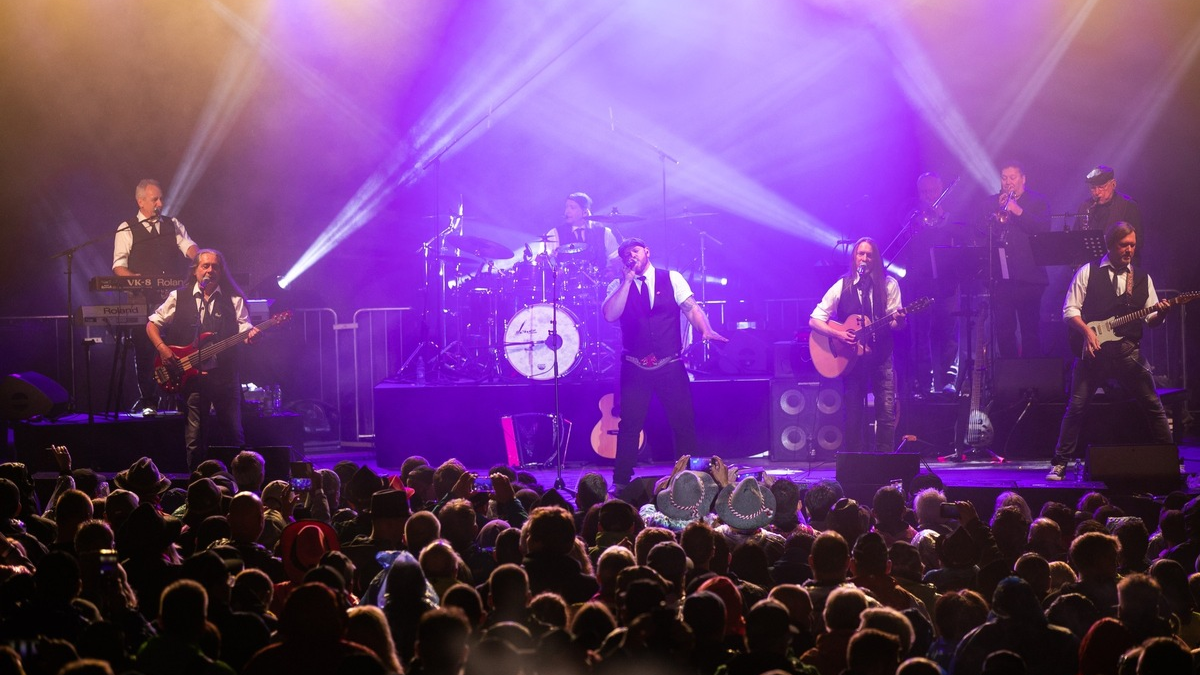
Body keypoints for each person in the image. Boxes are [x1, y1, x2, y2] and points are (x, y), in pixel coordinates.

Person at [1045, 222, 1174, 481]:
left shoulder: (1141, 277)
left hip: (1128, 353)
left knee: (1154, 406)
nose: (1129, 250)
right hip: (1094, 355)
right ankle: (1060, 463)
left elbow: (1151, 320)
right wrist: (1087, 332)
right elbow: (1070, 311)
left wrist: (1161, 313)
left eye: (1133, 245)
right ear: (1110, 245)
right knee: (1077, 408)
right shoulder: (1088, 272)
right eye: (1123, 245)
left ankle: (1169, 460)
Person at [601, 237, 726, 491]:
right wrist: (626, 281)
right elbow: (610, 315)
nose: (631, 256)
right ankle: (621, 480)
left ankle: (690, 478)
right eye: (626, 254)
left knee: (683, 422)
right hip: (635, 365)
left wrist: (706, 330)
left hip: (669, 363)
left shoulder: (672, 278)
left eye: (635, 251)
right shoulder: (617, 284)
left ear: (647, 251)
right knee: (629, 426)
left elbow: (691, 308)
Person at [147, 249, 260, 470]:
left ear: (221, 271)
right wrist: (162, 348)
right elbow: (152, 324)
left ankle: (238, 487)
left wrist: (252, 337)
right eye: (205, 266)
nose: (210, 270)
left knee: (233, 434)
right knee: (195, 438)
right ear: (196, 271)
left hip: (225, 378)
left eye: (214, 266)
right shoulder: (178, 296)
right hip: (193, 379)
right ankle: (197, 484)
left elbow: (245, 330)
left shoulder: (234, 300)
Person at [809, 238, 906, 453]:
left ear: (876, 259)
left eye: (869, 255)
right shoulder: (842, 286)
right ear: (854, 258)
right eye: (860, 254)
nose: (864, 258)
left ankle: (885, 461)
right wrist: (838, 335)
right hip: (852, 360)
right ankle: (854, 462)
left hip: (881, 355)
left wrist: (898, 320)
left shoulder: (889, 285)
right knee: (853, 412)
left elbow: (894, 323)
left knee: (886, 411)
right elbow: (814, 319)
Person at [113, 179, 200, 414]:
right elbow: (119, 266)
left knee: (180, 346)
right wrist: (136, 279)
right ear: (140, 202)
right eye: (155, 199)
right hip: (142, 300)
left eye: (161, 199)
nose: (160, 204)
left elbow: (189, 246)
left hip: (172, 298)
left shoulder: (173, 224)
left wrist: (200, 259)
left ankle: (179, 398)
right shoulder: (126, 228)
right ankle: (149, 400)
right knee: (144, 350)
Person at [898, 172, 960, 395]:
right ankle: (924, 383)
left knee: (948, 335)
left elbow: (957, 232)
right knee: (920, 336)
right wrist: (920, 215)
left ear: (941, 189)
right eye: (923, 191)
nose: (928, 195)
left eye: (932, 191)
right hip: (919, 282)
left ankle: (948, 381)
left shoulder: (952, 212)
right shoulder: (912, 211)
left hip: (946, 282)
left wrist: (941, 214)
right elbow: (905, 233)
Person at [983, 161, 1050, 359]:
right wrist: (997, 213)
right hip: (1002, 278)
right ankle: (1009, 379)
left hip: (1030, 279)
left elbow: (1042, 230)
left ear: (1023, 179)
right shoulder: (992, 202)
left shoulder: (1038, 202)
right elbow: (983, 235)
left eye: (1012, 178)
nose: (1008, 182)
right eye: (1004, 178)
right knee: (1004, 332)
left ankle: (1031, 381)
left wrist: (1017, 210)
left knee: (1030, 332)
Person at [542, 192, 619, 270]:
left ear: (585, 212)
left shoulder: (604, 233)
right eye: (566, 207)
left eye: (572, 208)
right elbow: (542, 262)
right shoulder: (554, 234)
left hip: (601, 281)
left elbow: (616, 260)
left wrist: (611, 272)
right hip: (566, 281)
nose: (567, 212)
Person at [1074, 165, 1141, 240]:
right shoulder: (1085, 206)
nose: (1097, 192)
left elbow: (1138, 241)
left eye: (1101, 187)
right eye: (1093, 188)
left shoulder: (1128, 205)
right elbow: (1075, 238)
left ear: (1113, 184)